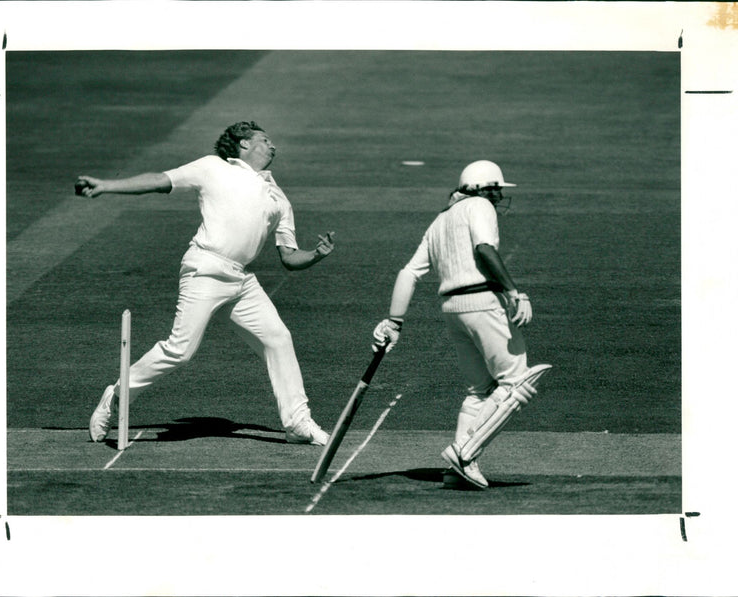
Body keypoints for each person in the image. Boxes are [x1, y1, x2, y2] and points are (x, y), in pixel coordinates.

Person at [76, 121, 335, 446]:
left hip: (241, 279)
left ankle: (298, 423)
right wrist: (106, 186)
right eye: (265, 140)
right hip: (206, 268)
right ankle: (114, 398)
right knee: (180, 351)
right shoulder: (212, 167)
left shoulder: (278, 196)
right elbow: (159, 181)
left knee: (278, 338)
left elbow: (289, 255)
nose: (273, 146)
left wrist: (316, 255)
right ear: (243, 145)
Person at [372, 160, 552, 489]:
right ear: (481, 189)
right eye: (495, 188)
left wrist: (394, 322)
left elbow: (409, 273)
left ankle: (458, 472)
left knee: (480, 391)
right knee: (517, 382)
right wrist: (514, 293)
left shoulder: (440, 220)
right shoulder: (479, 206)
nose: (498, 196)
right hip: (484, 302)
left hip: (453, 309)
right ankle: (464, 453)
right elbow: (484, 249)